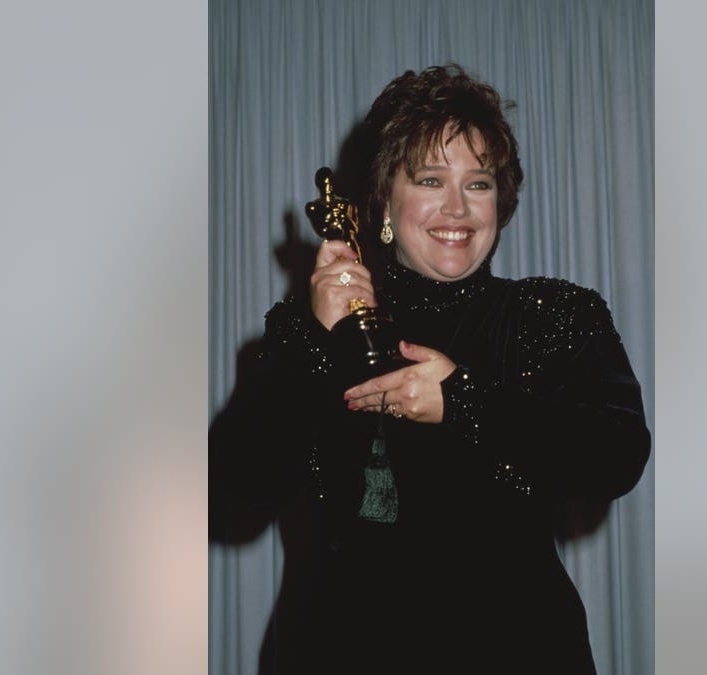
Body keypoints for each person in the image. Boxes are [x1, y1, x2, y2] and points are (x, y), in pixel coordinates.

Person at [210, 64, 651, 675]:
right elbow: (243, 476)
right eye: (429, 179)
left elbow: (617, 455)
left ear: (502, 201)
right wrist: (315, 335)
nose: (456, 208)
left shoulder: (552, 315)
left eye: (479, 183)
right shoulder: (319, 323)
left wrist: (462, 402)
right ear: (385, 200)